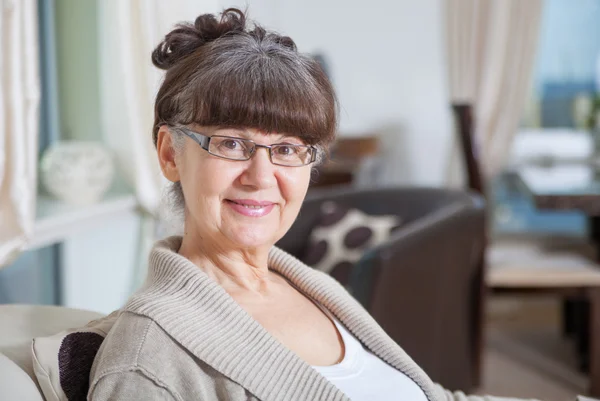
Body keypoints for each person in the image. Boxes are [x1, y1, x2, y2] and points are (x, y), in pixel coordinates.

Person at [88, 8, 529, 401]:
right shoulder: (147, 365)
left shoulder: (309, 285)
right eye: (231, 143)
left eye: (286, 149)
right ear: (170, 154)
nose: (261, 176)